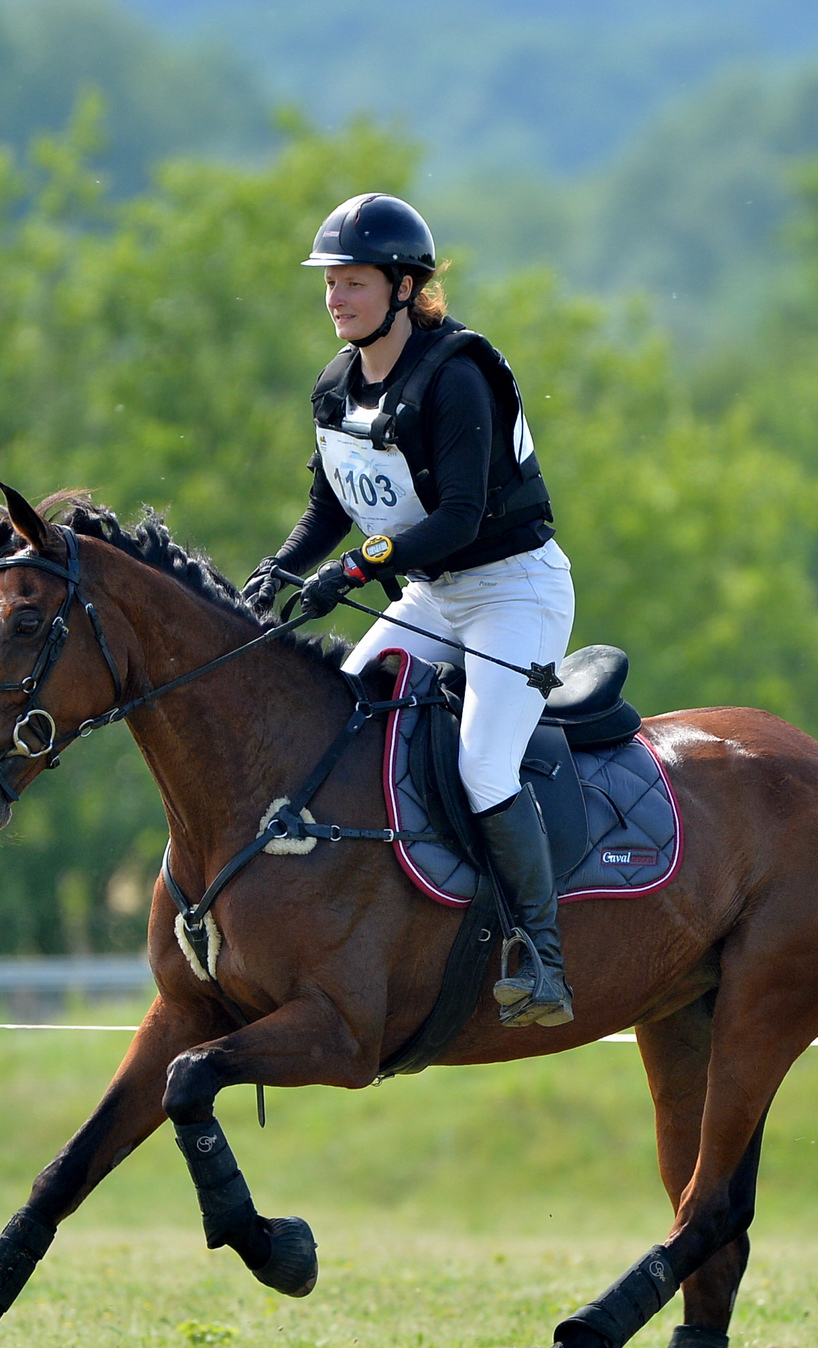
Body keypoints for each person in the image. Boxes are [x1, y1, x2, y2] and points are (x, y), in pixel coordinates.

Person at [242, 192, 577, 1028]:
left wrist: (357, 567)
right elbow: (327, 509)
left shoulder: (455, 375)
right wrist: (281, 568)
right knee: (341, 724)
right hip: (435, 595)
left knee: (484, 767)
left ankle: (543, 956)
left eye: (352, 282)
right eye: (329, 284)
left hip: (513, 592)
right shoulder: (337, 386)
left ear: (402, 286)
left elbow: (461, 516)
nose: (335, 299)